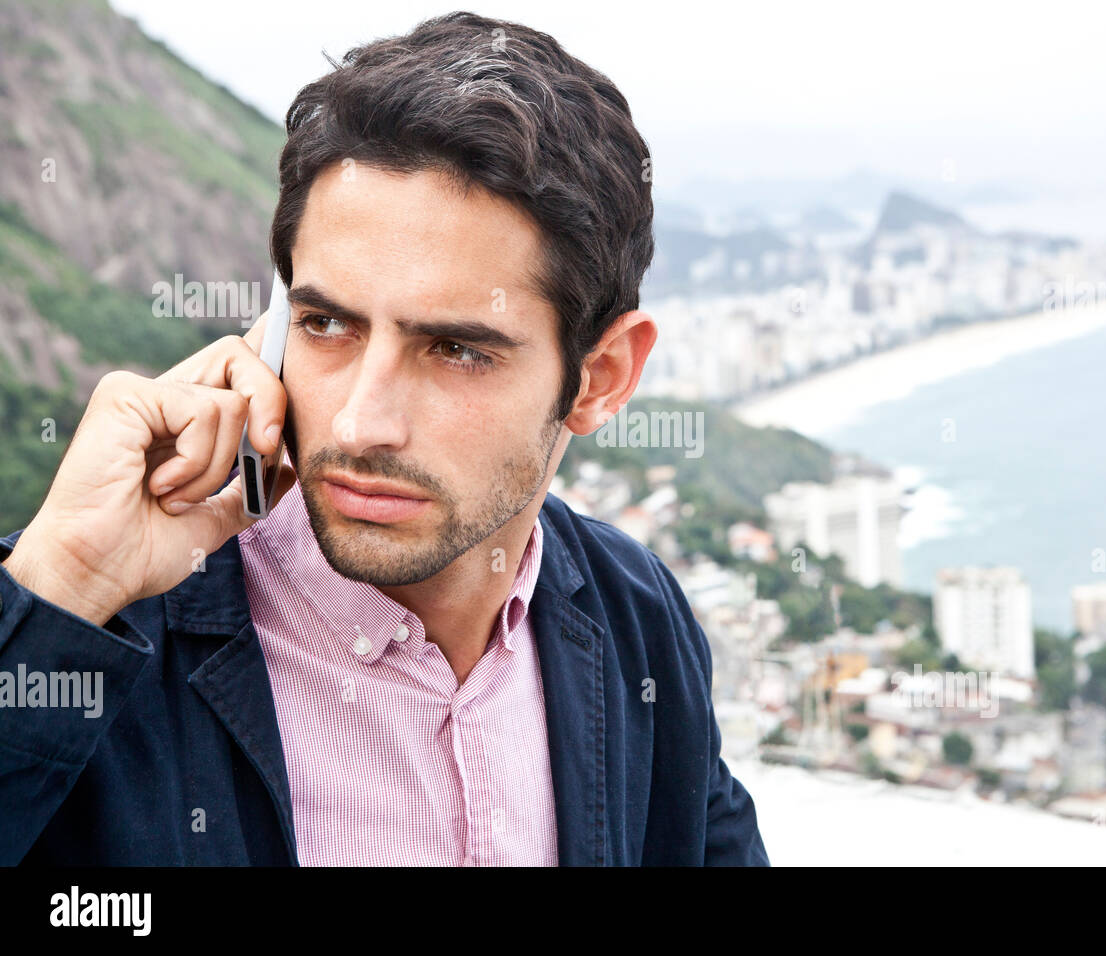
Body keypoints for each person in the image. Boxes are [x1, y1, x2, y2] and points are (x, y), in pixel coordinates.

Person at [0, 11, 768, 866]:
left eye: (457, 349)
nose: (362, 423)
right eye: (327, 324)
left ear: (602, 377)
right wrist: (60, 584)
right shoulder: (90, 620)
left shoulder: (638, 619)